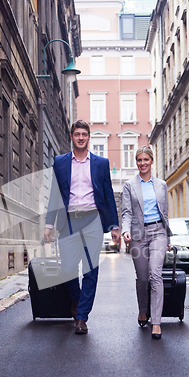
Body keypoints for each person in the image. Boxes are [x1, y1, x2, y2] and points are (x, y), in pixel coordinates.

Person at [44, 120, 120, 334]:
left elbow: (107, 195)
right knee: (67, 269)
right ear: (71, 137)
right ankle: (77, 303)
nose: (80, 137)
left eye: (84, 134)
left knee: (90, 269)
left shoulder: (100, 163)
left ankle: (81, 317)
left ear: (88, 137)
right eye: (77, 134)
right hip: (68, 221)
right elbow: (55, 194)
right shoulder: (60, 162)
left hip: (92, 220)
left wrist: (114, 225)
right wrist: (49, 224)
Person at [122, 146, 172, 339]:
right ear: (137, 162)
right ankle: (143, 309)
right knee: (142, 278)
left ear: (152, 161)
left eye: (146, 160)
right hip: (137, 234)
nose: (142, 163)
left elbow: (165, 213)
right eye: (139, 160)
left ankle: (156, 322)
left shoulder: (161, 184)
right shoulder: (129, 185)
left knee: (156, 275)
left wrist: (168, 238)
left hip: (158, 231)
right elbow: (126, 211)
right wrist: (126, 230)